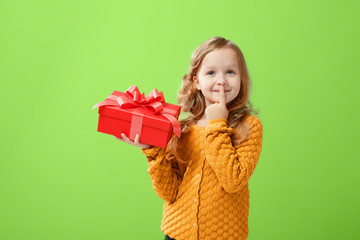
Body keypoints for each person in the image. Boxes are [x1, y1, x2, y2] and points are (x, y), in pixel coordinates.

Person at [116, 37, 263, 240]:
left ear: (241, 78)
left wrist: (218, 124)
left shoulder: (248, 126)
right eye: (211, 73)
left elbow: (233, 181)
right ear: (197, 81)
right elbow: (169, 192)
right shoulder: (182, 128)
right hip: (177, 234)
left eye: (230, 72)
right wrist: (152, 150)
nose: (221, 80)